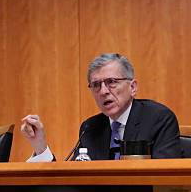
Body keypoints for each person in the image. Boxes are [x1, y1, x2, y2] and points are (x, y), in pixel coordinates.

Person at [21, 53, 182, 161]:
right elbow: (70, 183)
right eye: (96, 85)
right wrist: (40, 145)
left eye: (111, 82)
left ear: (132, 87)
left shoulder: (158, 119)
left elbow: (166, 177)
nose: (103, 91)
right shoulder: (91, 128)